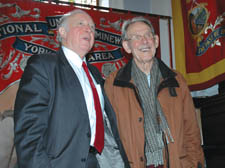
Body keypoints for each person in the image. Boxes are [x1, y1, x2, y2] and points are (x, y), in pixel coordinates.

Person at [14, 9, 130, 168]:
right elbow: (29, 132)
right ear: (62, 32)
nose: (89, 29)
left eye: (92, 27)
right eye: (81, 24)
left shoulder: (95, 74)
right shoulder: (44, 66)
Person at [104, 16, 205, 168]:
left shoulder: (176, 80)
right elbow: (108, 138)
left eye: (148, 35)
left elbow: (191, 131)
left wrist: (194, 164)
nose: (144, 41)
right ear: (127, 46)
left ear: (156, 41)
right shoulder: (114, 83)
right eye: (137, 37)